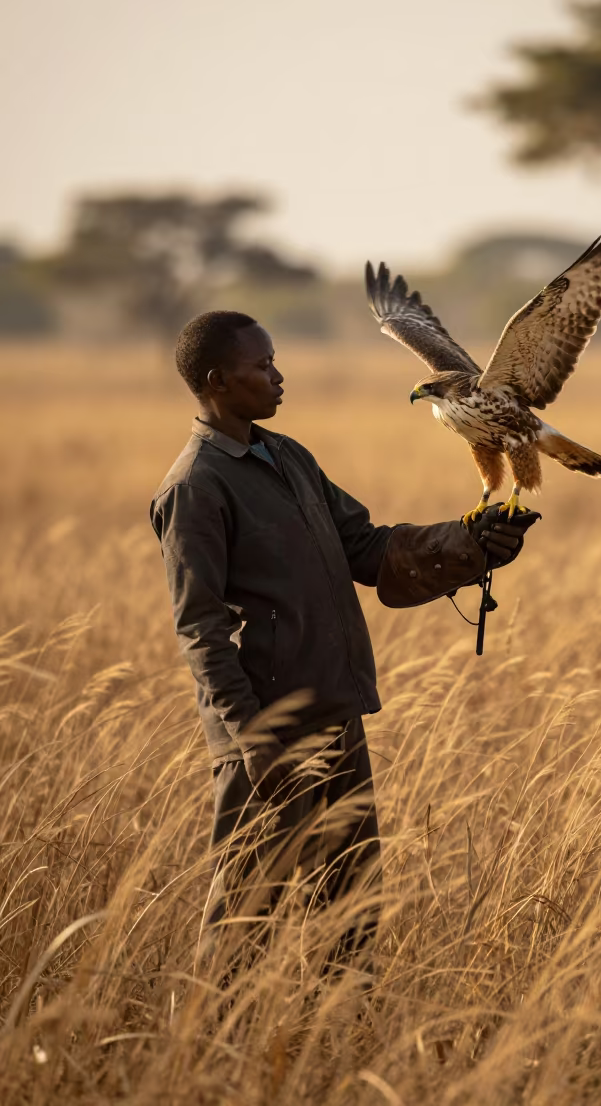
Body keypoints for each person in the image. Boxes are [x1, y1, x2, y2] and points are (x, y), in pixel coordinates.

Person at [149, 310, 538, 970]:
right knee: (249, 917)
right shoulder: (195, 487)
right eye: (262, 366)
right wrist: (253, 743)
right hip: (267, 738)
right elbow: (201, 629)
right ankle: (212, 1057)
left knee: (351, 911)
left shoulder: (288, 456)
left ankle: (333, 1052)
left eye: (276, 360)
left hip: (336, 714)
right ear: (217, 382)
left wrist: (469, 544)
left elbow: (366, 547)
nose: (279, 376)